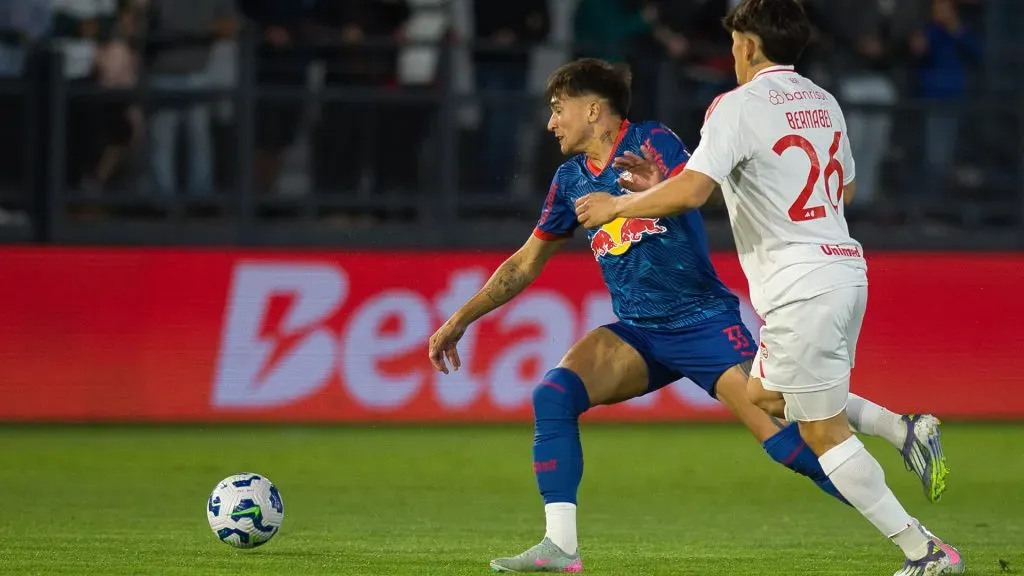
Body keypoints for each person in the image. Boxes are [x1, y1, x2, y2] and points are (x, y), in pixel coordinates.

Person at [429, 56, 952, 574]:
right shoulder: (569, 180)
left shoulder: (651, 140)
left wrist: (657, 182)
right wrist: (461, 319)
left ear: (592, 110)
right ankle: (560, 546)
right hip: (639, 333)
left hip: (703, 323)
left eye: (557, 108)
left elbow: (701, 190)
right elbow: (525, 263)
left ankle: (920, 538)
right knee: (553, 394)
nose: (551, 122)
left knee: (792, 443)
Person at [573, 2, 963, 575]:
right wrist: (669, 187)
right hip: (843, 272)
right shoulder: (823, 101)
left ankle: (925, 552)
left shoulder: (736, 105)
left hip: (799, 285)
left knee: (822, 432)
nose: (733, 52)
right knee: (764, 394)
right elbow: (845, 192)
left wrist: (619, 205)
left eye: (735, 42)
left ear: (749, 46)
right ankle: (904, 429)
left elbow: (692, 192)